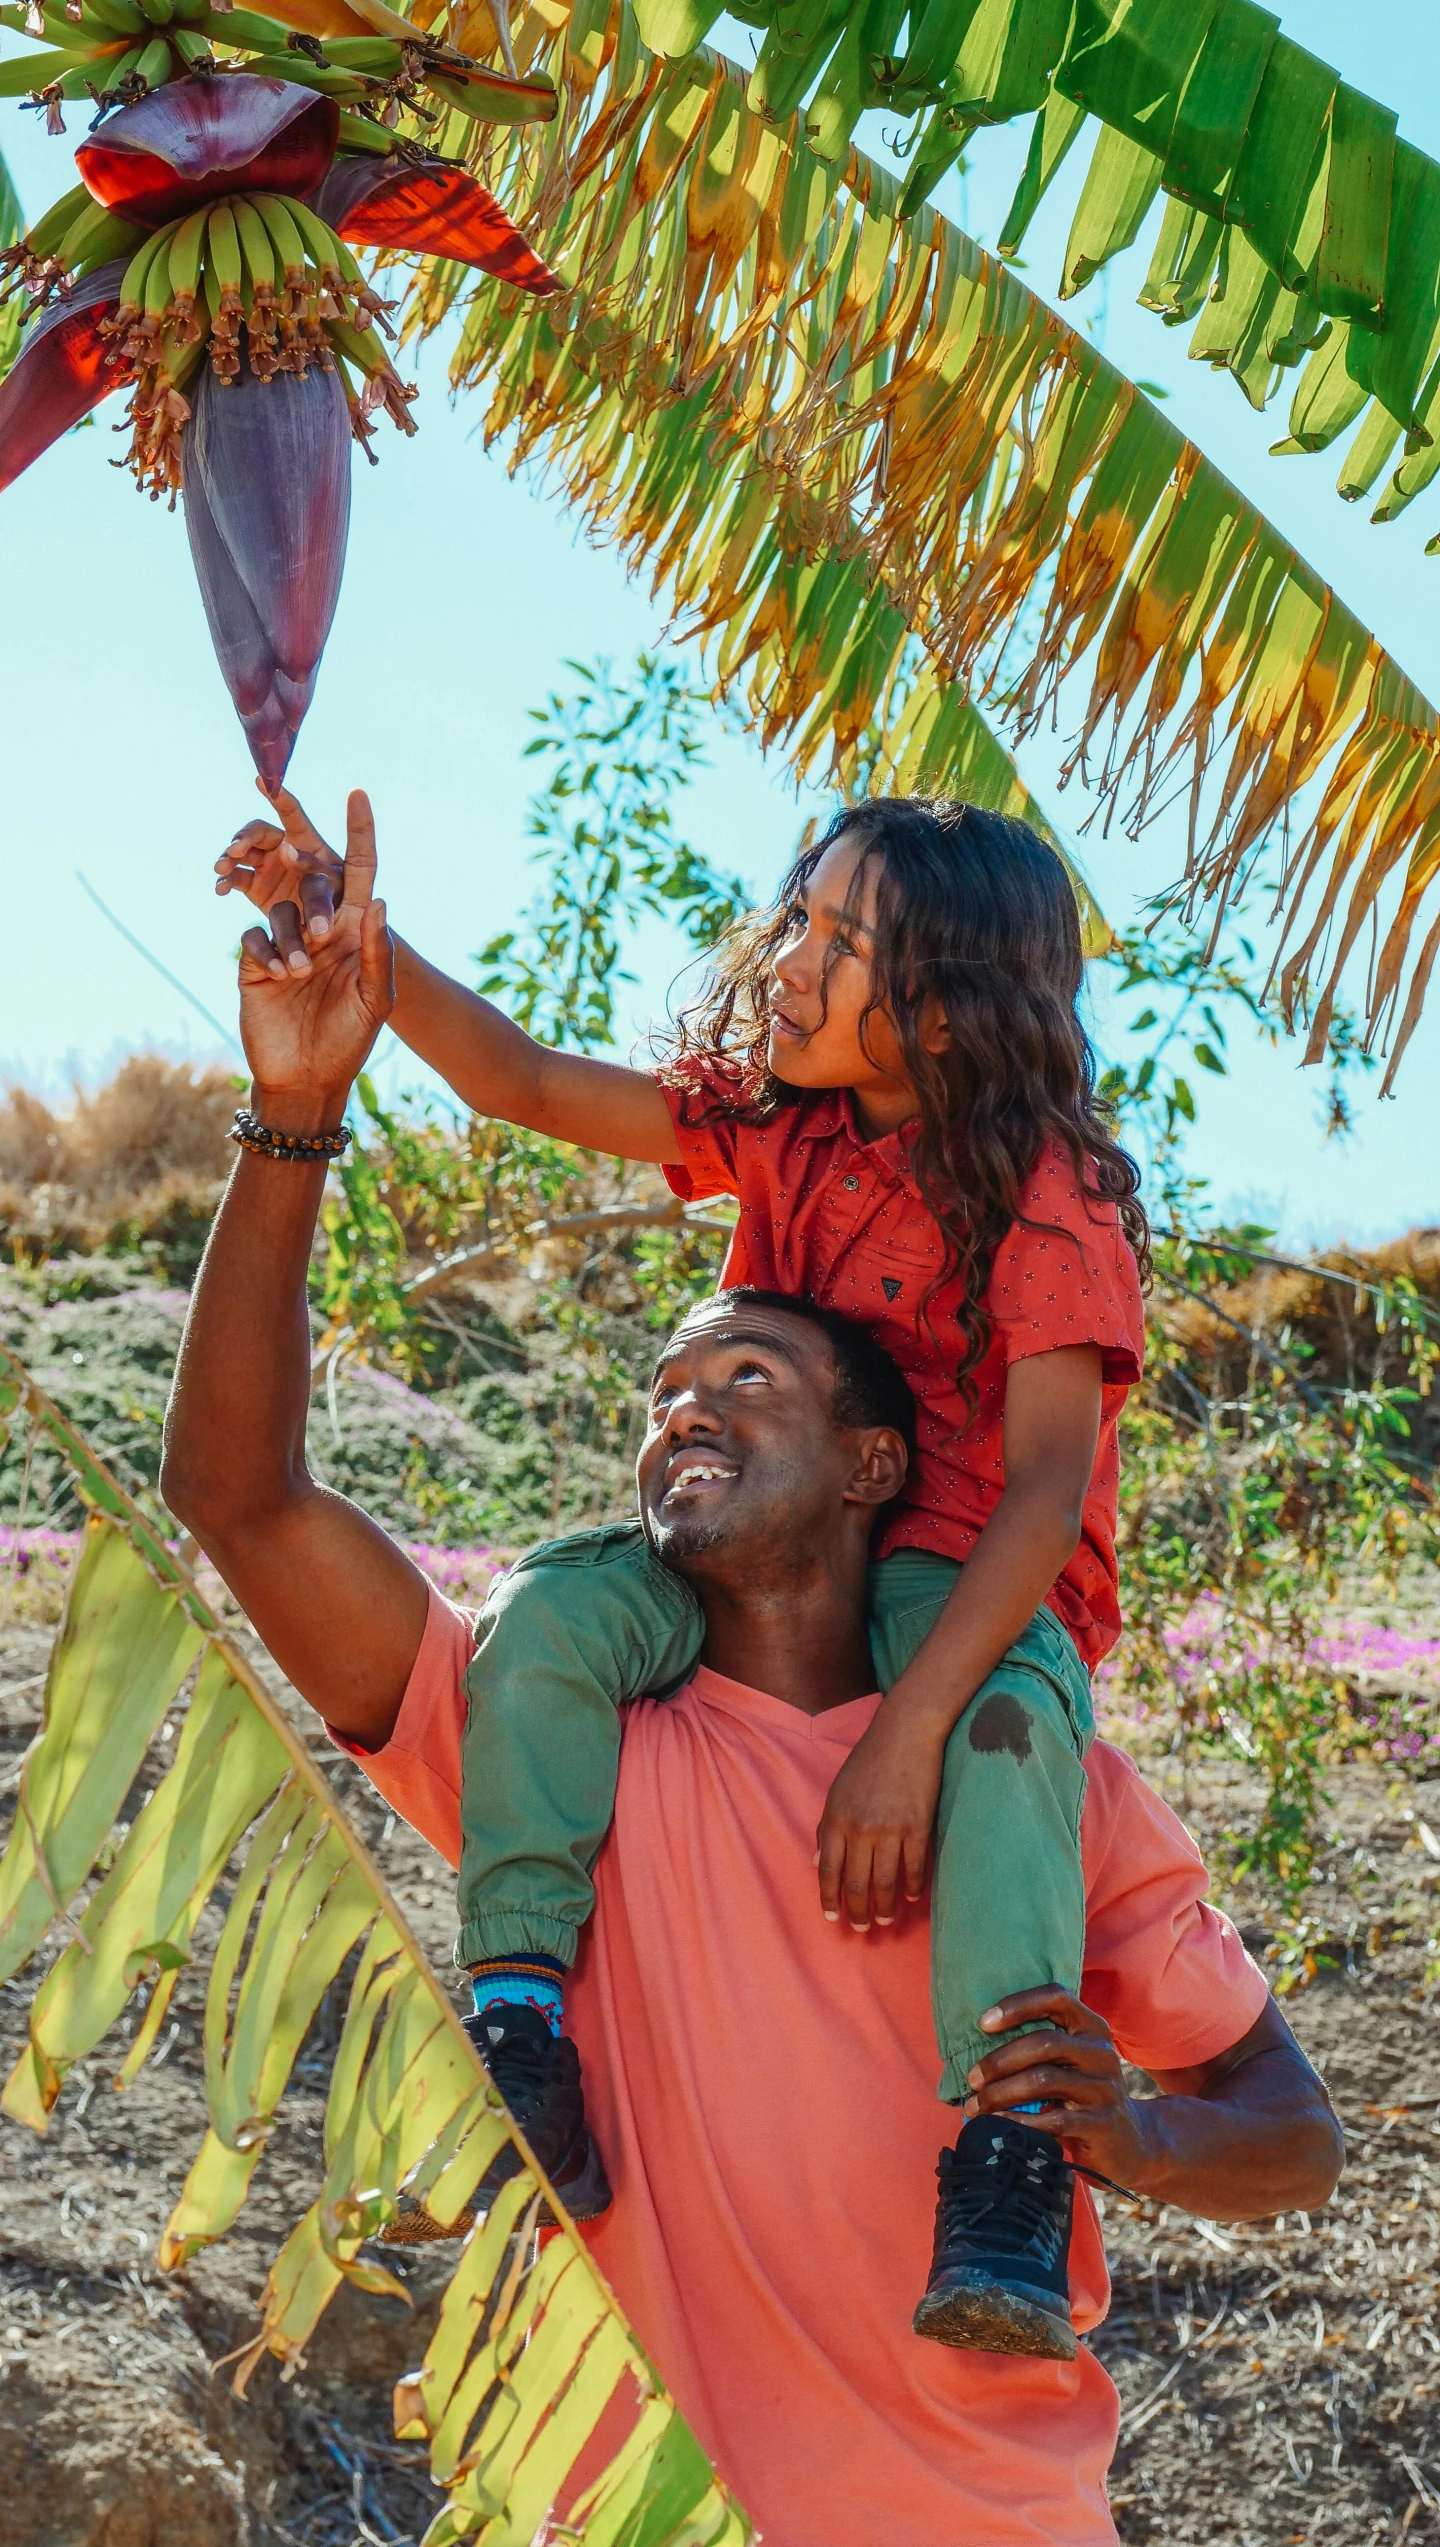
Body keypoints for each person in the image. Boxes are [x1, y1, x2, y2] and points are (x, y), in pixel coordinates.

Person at [159, 885, 1344, 2546]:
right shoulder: (555, 1739)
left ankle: (990, 2185)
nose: (686, 1409)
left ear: (877, 1462)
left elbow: (1295, 2134)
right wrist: (294, 1113)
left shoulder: (1039, 1775)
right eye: (666, 1392)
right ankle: (524, 2039)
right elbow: (239, 1495)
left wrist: (1130, 2134)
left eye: (750, 1380)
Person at [214, 782, 1150, 2357]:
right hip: (756, 1542)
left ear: (945, 1002)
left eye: (844, 943)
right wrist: (359, 945)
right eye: (801, 916)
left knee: (1002, 1741)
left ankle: (1004, 2166)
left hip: (959, 1568)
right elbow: (513, 1078)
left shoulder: (1041, 1190)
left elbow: (1048, 1493)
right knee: (553, 1616)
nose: (790, 956)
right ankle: (520, 2023)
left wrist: (906, 1733)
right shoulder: (777, 1121)